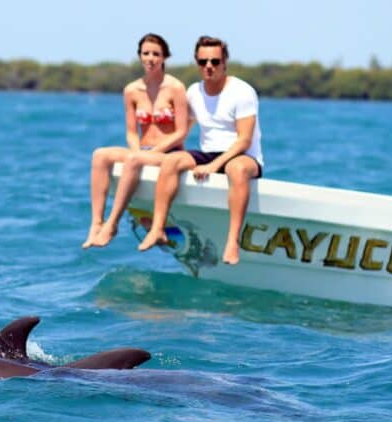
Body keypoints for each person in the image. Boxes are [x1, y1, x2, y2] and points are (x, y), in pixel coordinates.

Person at [138, 35, 263, 265]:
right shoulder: (194, 92)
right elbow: (182, 131)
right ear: (197, 63)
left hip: (241, 155)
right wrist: (153, 152)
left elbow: (244, 140)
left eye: (215, 62)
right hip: (207, 153)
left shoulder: (242, 92)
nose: (209, 67)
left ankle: (232, 241)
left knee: (236, 169)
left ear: (225, 62)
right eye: (203, 62)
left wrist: (215, 166)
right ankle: (158, 229)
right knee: (171, 162)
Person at [82, 33, 188, 249]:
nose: (150, 58)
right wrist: (136, 150)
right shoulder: (131, 90)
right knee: (100, 155)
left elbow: (181, 131)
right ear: (139, 56)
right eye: (146, 53)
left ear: (165, 57)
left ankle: (112, 225)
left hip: (168, 152)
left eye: (156, 54)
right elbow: (131, 131)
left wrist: (151, 152)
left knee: (135, 161)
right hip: (143, 150)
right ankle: (96, 223)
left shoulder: (175, 88)